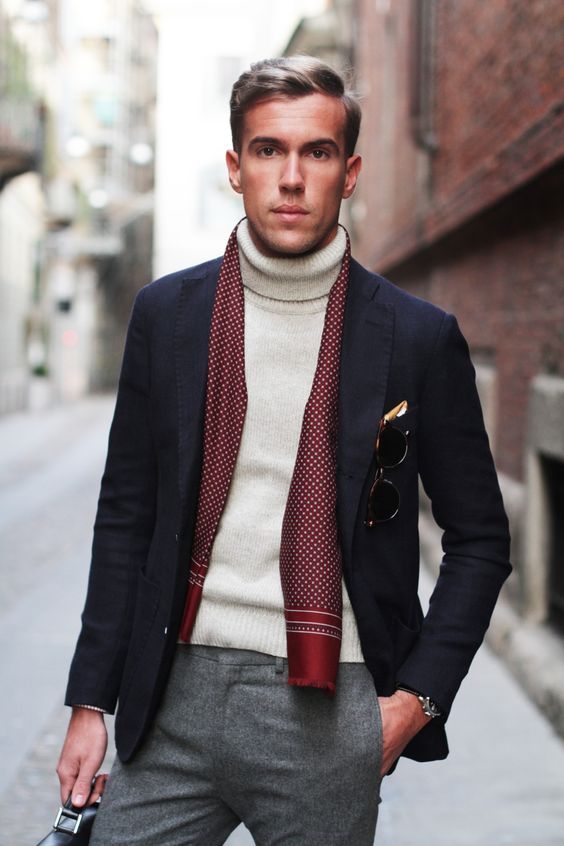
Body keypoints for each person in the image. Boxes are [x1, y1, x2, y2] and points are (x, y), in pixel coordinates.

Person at [56, 56, 511, 845]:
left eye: (317, 152)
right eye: (269, 150)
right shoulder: (167, 315)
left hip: (331, 707)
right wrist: (91, 701)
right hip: (171, 695)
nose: (291, 178)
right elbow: (127, 516)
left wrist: (415, 703)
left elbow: (481, 539)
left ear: (350, 173)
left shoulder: (417, 337)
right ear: (236, 169)